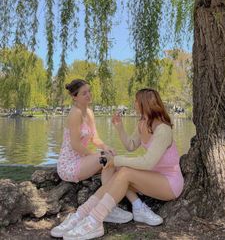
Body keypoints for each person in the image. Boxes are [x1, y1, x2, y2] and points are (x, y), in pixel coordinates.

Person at [61, 88, 184, 240]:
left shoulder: (163, 130)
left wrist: (117, 160)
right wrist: (119, 127)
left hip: (169, 183)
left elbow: (147, 163)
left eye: (136, 101)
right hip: (153, 177)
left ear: (145, 104)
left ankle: (95, 220)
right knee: (113, 165)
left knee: (123, 170)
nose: (134, 103)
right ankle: (83, 213)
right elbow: (131, 145)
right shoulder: (143, 123)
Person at [51, 79, 133, 238]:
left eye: (89, 91)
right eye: (84, 93)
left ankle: (108, 206)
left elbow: (95, 138)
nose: (89, 95)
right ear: (75, 97)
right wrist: (97, 156)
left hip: (83, 160)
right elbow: (75, 145)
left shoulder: (89, 112)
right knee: (105, 160)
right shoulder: (74, 114)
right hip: (70, 164)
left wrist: (105, 147)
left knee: (111, 157)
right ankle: (109, 207)